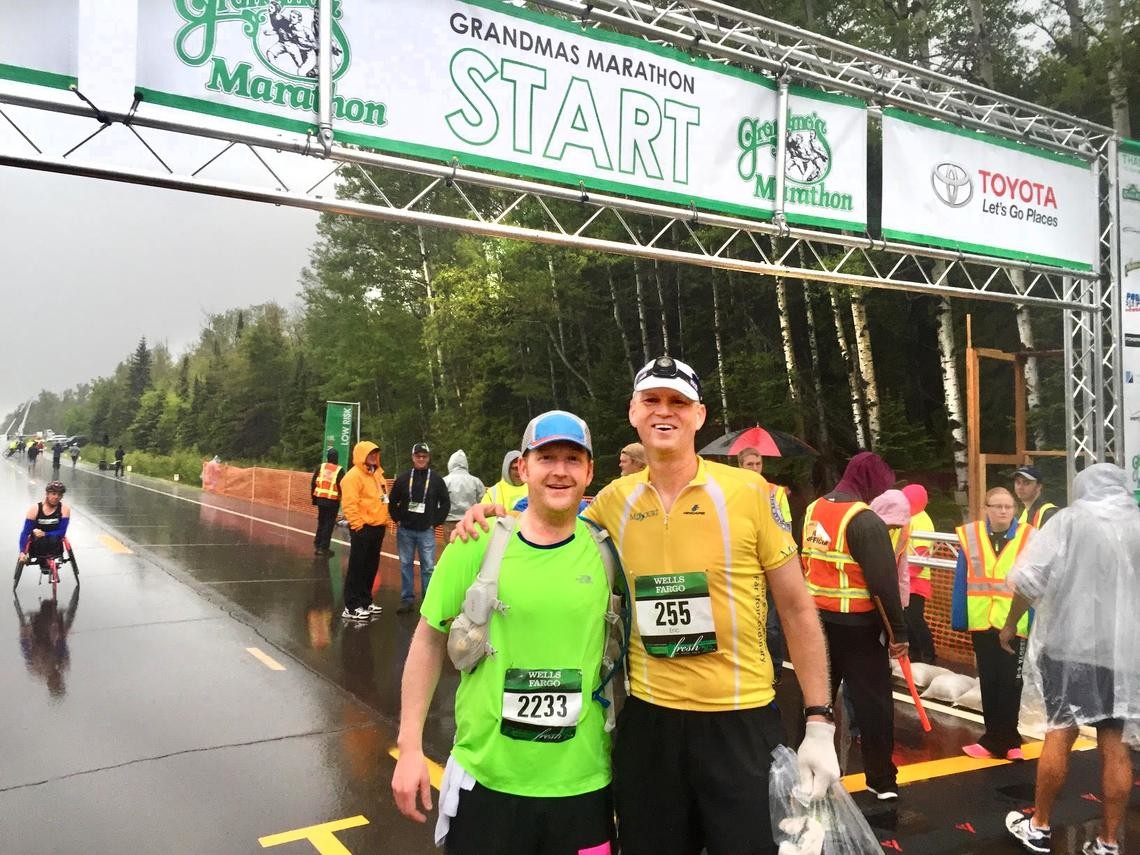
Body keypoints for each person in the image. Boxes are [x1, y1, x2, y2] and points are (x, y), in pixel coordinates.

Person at [456, 356, 839, 855]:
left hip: (739, 720)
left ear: (699, 415)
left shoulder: (748, 493)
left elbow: (797, 608)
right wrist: (494, 513)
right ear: (633, 412)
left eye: (678, 401)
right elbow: (551, 514)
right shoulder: (614, 501)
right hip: (650, 724)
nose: (664, 411)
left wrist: (819, 721)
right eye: (652, 400)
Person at [392, 411, 615, 854]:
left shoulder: (608, 550)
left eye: (572, 459)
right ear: (523, 468)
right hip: (487, 783)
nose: (559, 470)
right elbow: (428, 640)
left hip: (583, 787)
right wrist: (410, 745)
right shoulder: (478, 542)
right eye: (546, 458)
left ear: (590, 472)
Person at [1002, 464, 1140, 855]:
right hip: (1122, 655)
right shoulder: (1137, 526)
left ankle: (1040, 825)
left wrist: (1010, 624)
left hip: (1068, 649)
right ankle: (1108, 841)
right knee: (1115, 743)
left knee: (1061, 731)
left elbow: (1028, 579)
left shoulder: (1068, 521)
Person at [802, 451, 908, 800]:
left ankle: (809, 772)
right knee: (873, 705)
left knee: (816, 703)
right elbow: (883, 584)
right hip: (859, 627)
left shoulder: (814, 510)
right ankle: (881, 779)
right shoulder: (864, 521)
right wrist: (898, 634)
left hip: (817, 622)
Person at [952, 486, 1033, 760]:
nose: (1003, 511)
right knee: (989, 680)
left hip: (1015, 622)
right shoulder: (971, 536)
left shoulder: (1029, 537)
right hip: (982, 621)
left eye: (1008, 506)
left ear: (1015, 510)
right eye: (997, 506)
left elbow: (1035, 582)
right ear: (986, 508)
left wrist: (1033, 622)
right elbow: (961, 580)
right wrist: (959, 618)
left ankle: (1009, 739)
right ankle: (994, 738)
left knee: (1012, 682)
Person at [738, 445, 792, 683]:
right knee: (746, 622)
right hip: (743, 565)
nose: (755, 468)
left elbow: (786, 528)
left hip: (769, 564)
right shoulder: (733, 493)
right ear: (740, 466)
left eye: (758, 464)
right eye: (750, 464)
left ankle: (775, 671)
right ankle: (752, 669)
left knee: (771, 625)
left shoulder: (775, 492)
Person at [389, 443, 450, 614]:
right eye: (418, 456)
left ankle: (427, 601)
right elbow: (392, 501)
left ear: (428, 458)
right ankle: (407, 599)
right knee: (405, 565)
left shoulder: (436, 480)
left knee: (428, 567)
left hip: (426, 531)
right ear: (413, 457)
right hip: (405, 531)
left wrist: (435, 522)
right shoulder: (403, 479)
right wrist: (397, 519)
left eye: (424, 456)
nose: (421, 459)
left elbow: (445, 503)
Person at [339, 440, 390, 622]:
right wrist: (357, 525)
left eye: (376, 453)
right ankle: (351, 606)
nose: (374, 456)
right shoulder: (353, 477)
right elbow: (349, 503)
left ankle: (365, 600)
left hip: (378, 527)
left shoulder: (377, 475)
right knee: (357, 567)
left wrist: (384, 521)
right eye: (370, 453)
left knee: (370, 567)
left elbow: (383, 499)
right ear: (362, 455)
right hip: (363, 528)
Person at [901, 483, 937, 664]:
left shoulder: (921, 520)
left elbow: (921, 552)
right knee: (907, 618)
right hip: (907, 578)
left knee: (914, 618)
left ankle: (929, 655)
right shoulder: (910, 518)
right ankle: (914, 653)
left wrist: (905, 574)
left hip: (916, 579)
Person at [870, 489, 912, 609]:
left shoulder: (902, 532)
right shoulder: (863, 528)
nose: (895, 528)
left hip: (886, 594)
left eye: (897, 526)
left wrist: (902, 603)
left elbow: (902, 569)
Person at [19, 480, 71, 565]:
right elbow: (25, 532)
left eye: (59, 495)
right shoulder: (35, 509)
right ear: (47, 494)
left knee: (53, 539)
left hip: (55, 543)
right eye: (53, 494)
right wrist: (22, 552)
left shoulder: (64, 509)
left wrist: (45, 534)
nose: (56, 497)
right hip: (37, 544)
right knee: (38, 541)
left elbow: (62, 532)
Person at [441, 449, 485, 544]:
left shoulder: (445, 481)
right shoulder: (476, 481)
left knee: (450, 549)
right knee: (470, 548)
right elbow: (483, 501)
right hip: (471, 522)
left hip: (450, 523)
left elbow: (439, 503)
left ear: (450, 463)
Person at [310, 447, 345, 556]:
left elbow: (313, 483)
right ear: (336, 458)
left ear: (328, 457)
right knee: (329, 524)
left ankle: (317, 542)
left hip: (320, 499)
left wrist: (314, 498)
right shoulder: (339, 470)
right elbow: (342, 486)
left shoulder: (321, 467)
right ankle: (323, 548)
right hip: (332, 501)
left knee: (321, 521)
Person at [1013, 464, 1059, 529]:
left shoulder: (1050, 513)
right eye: (1018, 482)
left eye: (1026, 483)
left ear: (1038, 486)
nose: (1020, 487)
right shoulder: (1023, 515)